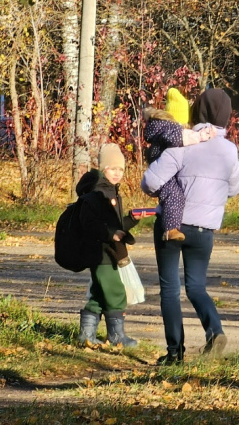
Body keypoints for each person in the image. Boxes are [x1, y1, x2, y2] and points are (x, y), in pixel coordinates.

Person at [141, 88, 239, 365]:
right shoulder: (230, 150)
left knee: (170, 290)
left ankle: (175, 355)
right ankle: (215, 331)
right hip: (204, 229)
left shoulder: (184, 144)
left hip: (172, 226)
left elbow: (150, 182)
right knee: (196, 287)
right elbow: (234, 189)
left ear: (197, 110)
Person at [75, 143, 144, 348]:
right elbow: (90, 223)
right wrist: (110, 234)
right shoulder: (98, 193)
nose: (117, 173)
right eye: (112, 168)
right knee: (115, 291)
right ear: (103, 168)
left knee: (99, 292)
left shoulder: (111, 191)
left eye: (121, 169)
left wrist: (131, 218)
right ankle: (116, 337)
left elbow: (114, 225)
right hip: (102, 253)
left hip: (107, 251)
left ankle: (86, 336)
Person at [143, 87, 216, 242]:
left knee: (172, 194)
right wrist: (199, 136)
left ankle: (169, 222)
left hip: (162, 166)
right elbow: (177, 138)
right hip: (163, 169)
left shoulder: (160, 126)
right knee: (174, 195)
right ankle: (170, 229)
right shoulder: (169, 128)